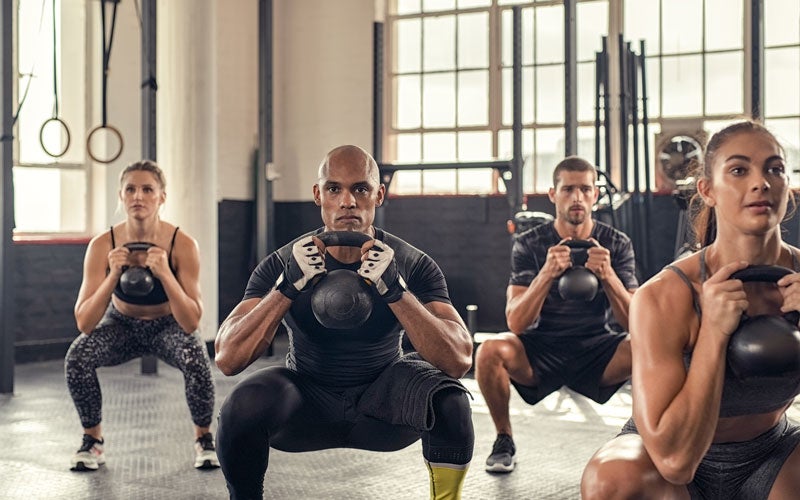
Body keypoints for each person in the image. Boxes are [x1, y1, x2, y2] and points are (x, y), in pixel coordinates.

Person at [214, 144, 475, 500]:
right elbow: (228, 357)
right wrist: (286, 288)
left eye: (360, 189)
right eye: (334, 189)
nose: (347, 201)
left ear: (379, 195)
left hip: (384, 403)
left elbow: (459, 358)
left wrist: (396, 290)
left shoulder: (412, 263)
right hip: (307, 400)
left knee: (451, 401)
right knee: (240, 406)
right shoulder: (282, 263)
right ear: (318, 195)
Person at [581, 121, 800, 499]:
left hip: (773, 454)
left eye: (774, 168)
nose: (761, 182)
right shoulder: (664, 296)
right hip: (667, 464)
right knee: (611, 481)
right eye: (739, 169)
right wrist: (713, 333)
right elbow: (675, 461)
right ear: (707, 190)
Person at [475, 155, 638, 473]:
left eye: (585, 189)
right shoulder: (529, 244)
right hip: (541, 348)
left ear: (596, 194)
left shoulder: (616, 244)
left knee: (649, 345)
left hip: (598, 348)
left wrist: (609, 277)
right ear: (553, 194)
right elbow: (516, 322)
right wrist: (546, 274)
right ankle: (503, 439)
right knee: (490, 351)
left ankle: (641, 436)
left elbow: (635, 322)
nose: (577, 197)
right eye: (568, 189)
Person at [65, 160, 219, 471]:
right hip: (120, 324)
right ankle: (92, 441)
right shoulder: (102, 245)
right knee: (77, 357)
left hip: (167, 325)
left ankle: (203, 439)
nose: (138, 196)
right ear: (120, 196)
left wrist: (165, 274)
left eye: (148, 189)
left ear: (162, 197)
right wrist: (114, 274)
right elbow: (84, 322)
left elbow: (191, 322)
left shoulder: (182, 244)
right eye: (130, 189)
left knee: (195, 356)